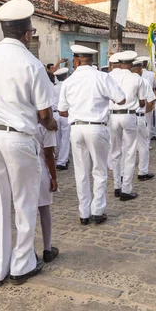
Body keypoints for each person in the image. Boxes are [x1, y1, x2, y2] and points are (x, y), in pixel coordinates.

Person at [0, 0, 57, 287]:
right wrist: (52, 125)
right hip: (18, 139)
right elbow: (44, 115)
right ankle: (22, 265)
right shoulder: (32, 64)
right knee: (25, 202)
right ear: (27, 33)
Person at [58, 45, 125, 225]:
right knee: (99, 170)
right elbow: (121, 99)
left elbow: (62, 111)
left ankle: (84, 213)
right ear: (91, 60)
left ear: (77, 60)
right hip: (96, 126)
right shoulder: (102, 77)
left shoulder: (68, 81)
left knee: (81, 172)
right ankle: (97, 210)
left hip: (76, 128)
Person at [108, 51, 145, 201]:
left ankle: (117, 185)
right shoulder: (136, 78)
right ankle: (126, 188)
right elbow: (142, 102)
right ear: (131, 64)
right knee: (129, 152)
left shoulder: (109, 77)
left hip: (112, 115)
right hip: (129, 115)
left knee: (115, 151)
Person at [35, 121, 59, 263]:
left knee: (26, 211)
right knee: (44, 209)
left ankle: (29, 250)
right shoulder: (47, 127)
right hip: (41, 167)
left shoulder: (22, 122)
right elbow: (49, 155)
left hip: (23, 168)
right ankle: (47, 248)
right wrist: (54, 177)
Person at [132, 59, 156, 183]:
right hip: (138, 116)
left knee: (124, 147)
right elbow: (151, 101)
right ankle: (142, 172)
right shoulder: (143, 81)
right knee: (143, 144)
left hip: (121, 117)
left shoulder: (119, 80)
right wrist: (143, 113)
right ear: (141, 70)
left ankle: (122, 174)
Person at [53, 68, 71, 170]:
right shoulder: (67, 87)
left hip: (55, 114)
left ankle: (61, 157)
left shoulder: (53, 88)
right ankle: (62, 161)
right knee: (65, 138)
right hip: (65, 114)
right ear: (65, 76)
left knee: (58, 138)